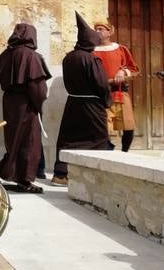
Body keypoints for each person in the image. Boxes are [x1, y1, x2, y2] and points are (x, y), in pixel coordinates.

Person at [52, 12, 112, 186]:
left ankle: (60, 174)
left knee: (68, 139)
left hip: (73, 103)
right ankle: (97, 177)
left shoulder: (68, 58)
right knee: (98, 138)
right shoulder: (91, 60)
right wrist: (106, 102)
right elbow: (101, 84)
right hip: (92, 106)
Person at [0, 23, 51, 194]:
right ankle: (25, 179)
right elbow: (37, 87)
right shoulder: (31, 56)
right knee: (29, 141)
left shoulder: (5, 54)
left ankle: (10, 173)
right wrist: (40, 104)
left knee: (13, 140)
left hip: (9, 102)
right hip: (26, 103)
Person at [93, 19, 140, 152]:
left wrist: (123, 71)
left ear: (110, 32)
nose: (97, 32)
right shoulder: (91, 51)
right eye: (95, 30)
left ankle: (125, 152)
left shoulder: (120, 49)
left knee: (129, 126)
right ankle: (108, 153)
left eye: (101, 29)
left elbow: (134, 68)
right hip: (101, 96)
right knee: (103, 129)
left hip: (120, 93)